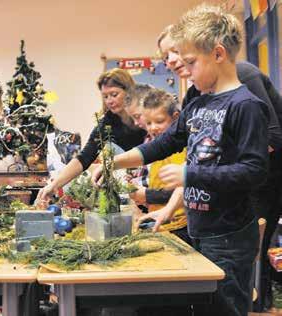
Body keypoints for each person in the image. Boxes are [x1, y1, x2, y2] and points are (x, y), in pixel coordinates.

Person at [93, 5, 268, 315]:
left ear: (217, 54)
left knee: (225, 309)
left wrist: (191, 176)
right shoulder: (199, 100)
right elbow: (168, 141)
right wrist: (114, 163)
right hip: (198, 229)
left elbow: (254, 171)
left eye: (190, 62)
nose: (185, 70)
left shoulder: (246, 105)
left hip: (229, 235)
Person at [158, 21, 282, 312]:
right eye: (166, 57)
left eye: (177, 52)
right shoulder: (199, 91)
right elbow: (180, 141)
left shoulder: (243, 81)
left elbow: (273, 136)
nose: (172, 61)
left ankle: (260, 303)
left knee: (242, 271)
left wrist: (218, 165)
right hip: (221, 190)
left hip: (262, 183)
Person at [37, 68, 146, 203]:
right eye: (105, 96)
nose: (109, 101)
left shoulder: (146, 116)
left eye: (114, 94)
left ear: (129, 92)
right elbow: (84, 157)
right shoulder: (107, 123)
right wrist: (53, 185)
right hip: (133, 182)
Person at [130, 89, 189, 244]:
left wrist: (147, 195)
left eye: (159, 121)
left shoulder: (181, 150)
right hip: (160, 221)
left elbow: (184, 189)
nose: (153, 128)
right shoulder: (155, 146)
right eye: (148, 123)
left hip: (179, 225)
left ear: (176, 119)